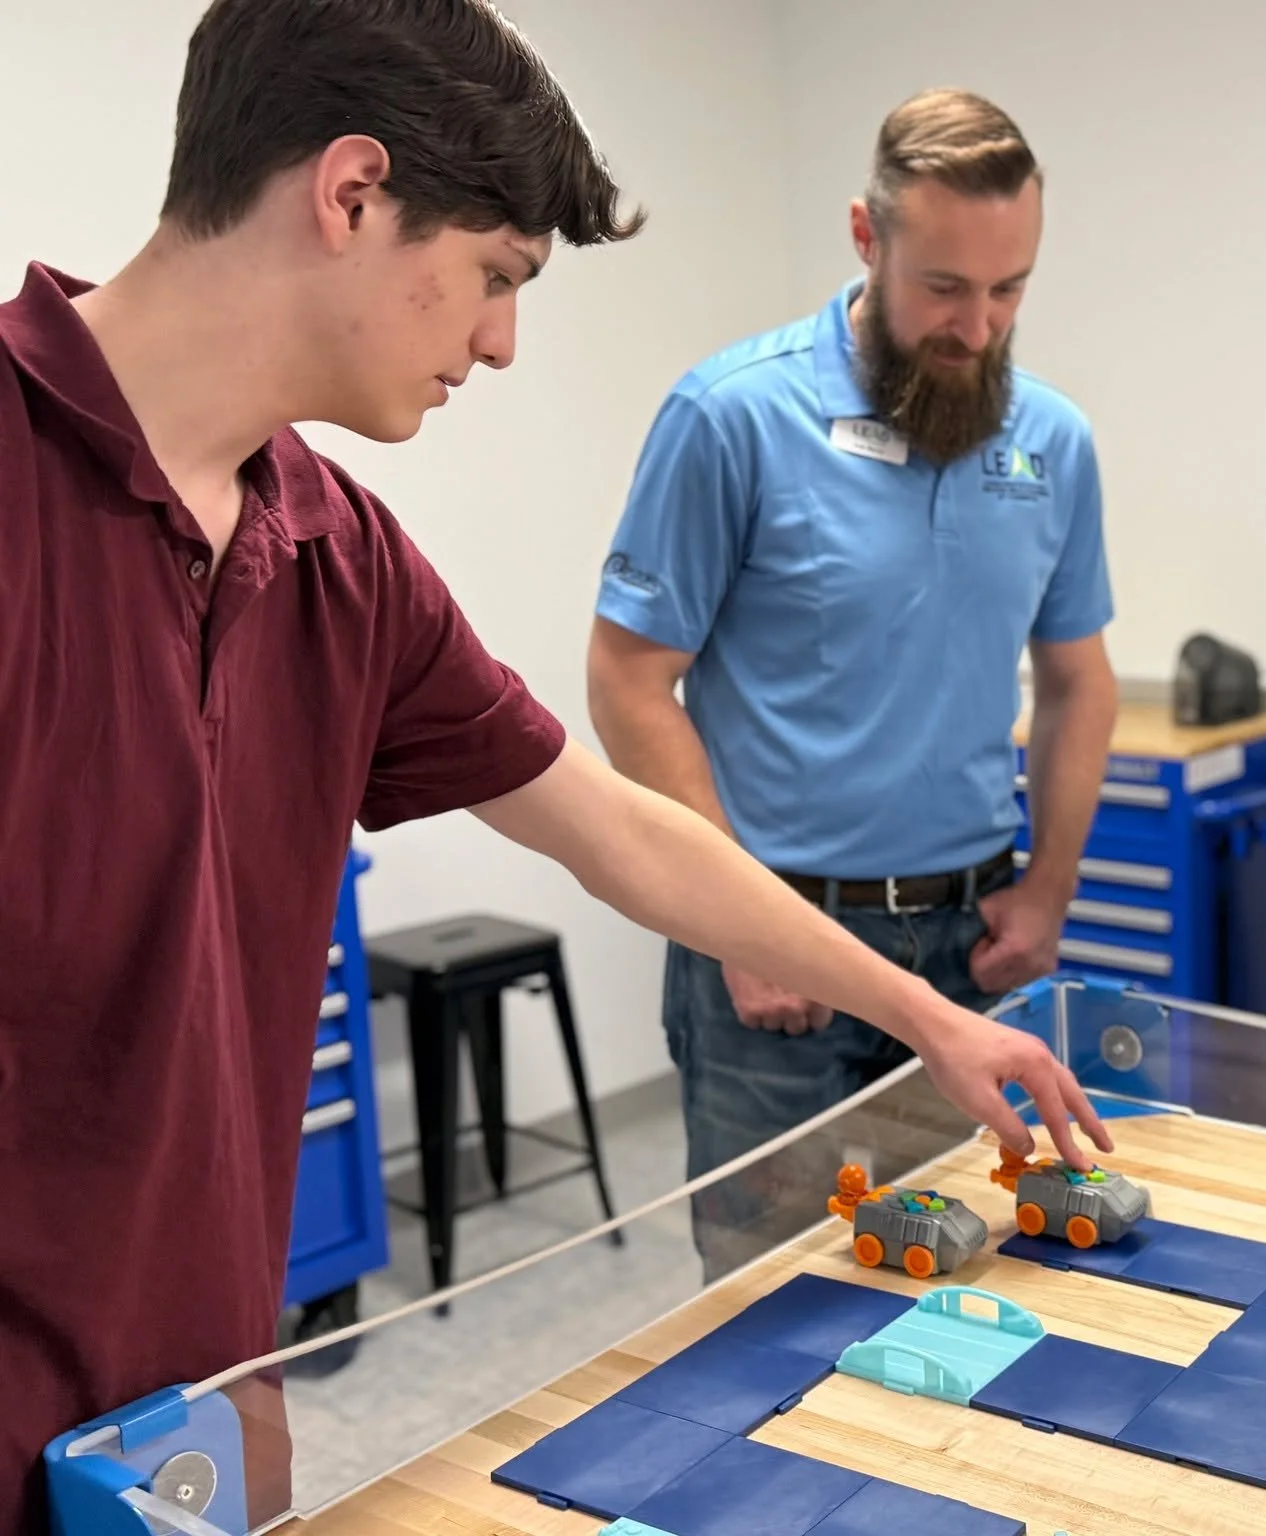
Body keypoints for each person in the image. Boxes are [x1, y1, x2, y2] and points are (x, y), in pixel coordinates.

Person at [0, 8, 1111, 1531]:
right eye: (496, 279)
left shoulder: (343, 554)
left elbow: (611, 830)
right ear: (350, 196)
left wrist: (927, 1019)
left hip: (185, 1393)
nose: (502, 343)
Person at [586, 88, 1119, 1279]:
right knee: (770, 1310)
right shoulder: (731, 416)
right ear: (865, 240)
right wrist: (732, 916)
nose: (976, 327)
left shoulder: (1052, 442)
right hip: (775, 949)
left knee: (958, 1283)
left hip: (965, 943)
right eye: (943, 287)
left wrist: (1048, 887)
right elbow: (627, 680)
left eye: (1009, 289)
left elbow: (1079, 680)